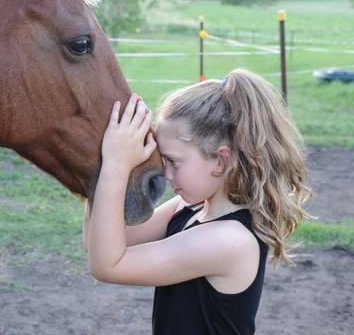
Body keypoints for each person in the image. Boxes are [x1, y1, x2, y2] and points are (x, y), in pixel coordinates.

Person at [83, 68, 312, 335]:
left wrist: (116, 166)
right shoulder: (189, 207)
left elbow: (108, 265)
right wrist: (94, 163)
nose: (166, 174)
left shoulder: (229, 241)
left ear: (220, 161)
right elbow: (97, 241)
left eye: (174, 162)